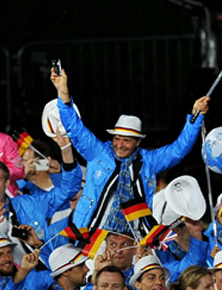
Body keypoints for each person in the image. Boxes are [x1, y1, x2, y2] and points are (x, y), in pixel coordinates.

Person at [49, 67, 209, 236]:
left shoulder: (149, 161)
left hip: (132, 236)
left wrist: (195, 117)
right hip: (90, 232)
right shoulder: (98, 152)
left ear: (138, 142)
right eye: (117, 138)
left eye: (126, 140)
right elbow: (74, 128)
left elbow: (179, 150)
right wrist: (63, 92)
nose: (120, 144)